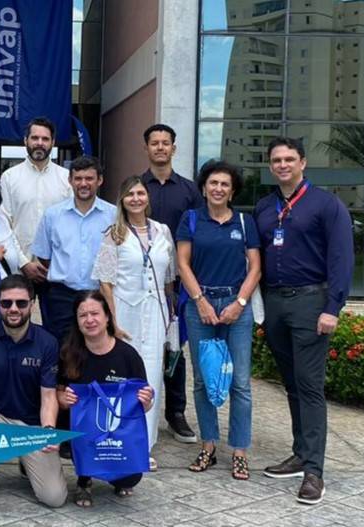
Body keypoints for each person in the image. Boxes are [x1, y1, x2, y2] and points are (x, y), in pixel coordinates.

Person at [254, 137, 353, 504]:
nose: (283, 165)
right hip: (275, 303)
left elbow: (341, 258)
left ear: (303, 163)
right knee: (292, 384)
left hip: (311, 303)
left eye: (289, 159)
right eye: (276, 160)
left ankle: (314, 471)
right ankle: (300, 453)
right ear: (270, 166)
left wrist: (333, 308)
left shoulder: (326, 204)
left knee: (309, 386)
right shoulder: (265, 207)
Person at [175, 160, 261, 481]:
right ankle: (208, 445)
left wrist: (240, 303)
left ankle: (239, 451)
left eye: (225, 184)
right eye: (213, 183)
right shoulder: (191, 219)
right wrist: (200, 301)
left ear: (233, 191)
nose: (218, 188)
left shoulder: (244, 222)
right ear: (204, 187)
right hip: (201, 305)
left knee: (240, 382)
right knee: (203, 379)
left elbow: (255, 267)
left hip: (237, 305)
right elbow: (183, 264)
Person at [91, 175, 175, 471]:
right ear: (122, 200)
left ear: (147, 197)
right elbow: (105, 282)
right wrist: (112, 322)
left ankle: (144, 444)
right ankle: (119, 438)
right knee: (123, 377)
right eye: (130, 194)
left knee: (151, 376)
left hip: (156, 312)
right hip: (125, 311)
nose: (136, 199)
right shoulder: (114, 233)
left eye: (140, 193)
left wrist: (171, 317)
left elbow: (169, 279)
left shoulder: (162, 231)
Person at [0, 275, 66, 509]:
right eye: (6, 302)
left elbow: (49, 397)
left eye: (21, 303)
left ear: (32, 304)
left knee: (54, 498)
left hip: (32, 426)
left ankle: (25, 458)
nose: (13, 309)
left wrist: (49, 429)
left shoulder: (48, 342)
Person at [57, 291, 154, 507]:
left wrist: (147, 401)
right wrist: (65, 399)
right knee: (82, 442)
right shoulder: (68, 353)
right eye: (83, 315)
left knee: (130, 478)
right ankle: (84, 480)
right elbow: (58, 395)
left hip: (117, 430)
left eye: (95, 313)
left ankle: (115, 474)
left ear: (107, 317)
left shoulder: (128, 355)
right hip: (83, 431)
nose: (89, 320)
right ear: (77, 321)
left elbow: (143, 402)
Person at [139, 123, 202, 444]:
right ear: (146, 148)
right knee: (140, 345)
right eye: (155, 143)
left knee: (174, 346)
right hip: (141, 284)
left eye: (166, 143)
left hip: (178, 283)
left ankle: (175, 412)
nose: (160, 148)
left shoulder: (190, 191)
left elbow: (199, 233)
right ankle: (136, 408)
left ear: (174, 148)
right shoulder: (136, 187)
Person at [31, 155, 116, 342]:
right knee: (63, 349)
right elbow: (44, 256)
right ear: (70, 180)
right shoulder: (53, 215)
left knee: (99, 347)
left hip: (100, 294)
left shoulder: (113, 215)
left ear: (100, 180)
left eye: (89, 178)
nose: (83, 184)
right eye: (78, 178)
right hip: (62, 297)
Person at [0, 116, 73, 285]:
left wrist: (55, 263)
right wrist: (23, 263)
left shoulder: (66, 178)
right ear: (26, 140)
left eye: (45, 139)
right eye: (35, 138)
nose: (40, 143)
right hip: (18, 270)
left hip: (56, 270)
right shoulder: (9, 177)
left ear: (53, 142)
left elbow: (71, 225)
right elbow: (4, 225)